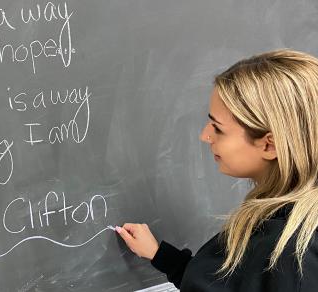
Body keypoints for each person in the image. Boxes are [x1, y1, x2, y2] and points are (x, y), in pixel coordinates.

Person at [116, 49, 318, 291]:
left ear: (268, 145)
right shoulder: (283, 216)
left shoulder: (290, 257)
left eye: (218, 128)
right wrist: (162, 256)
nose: (205, 135)